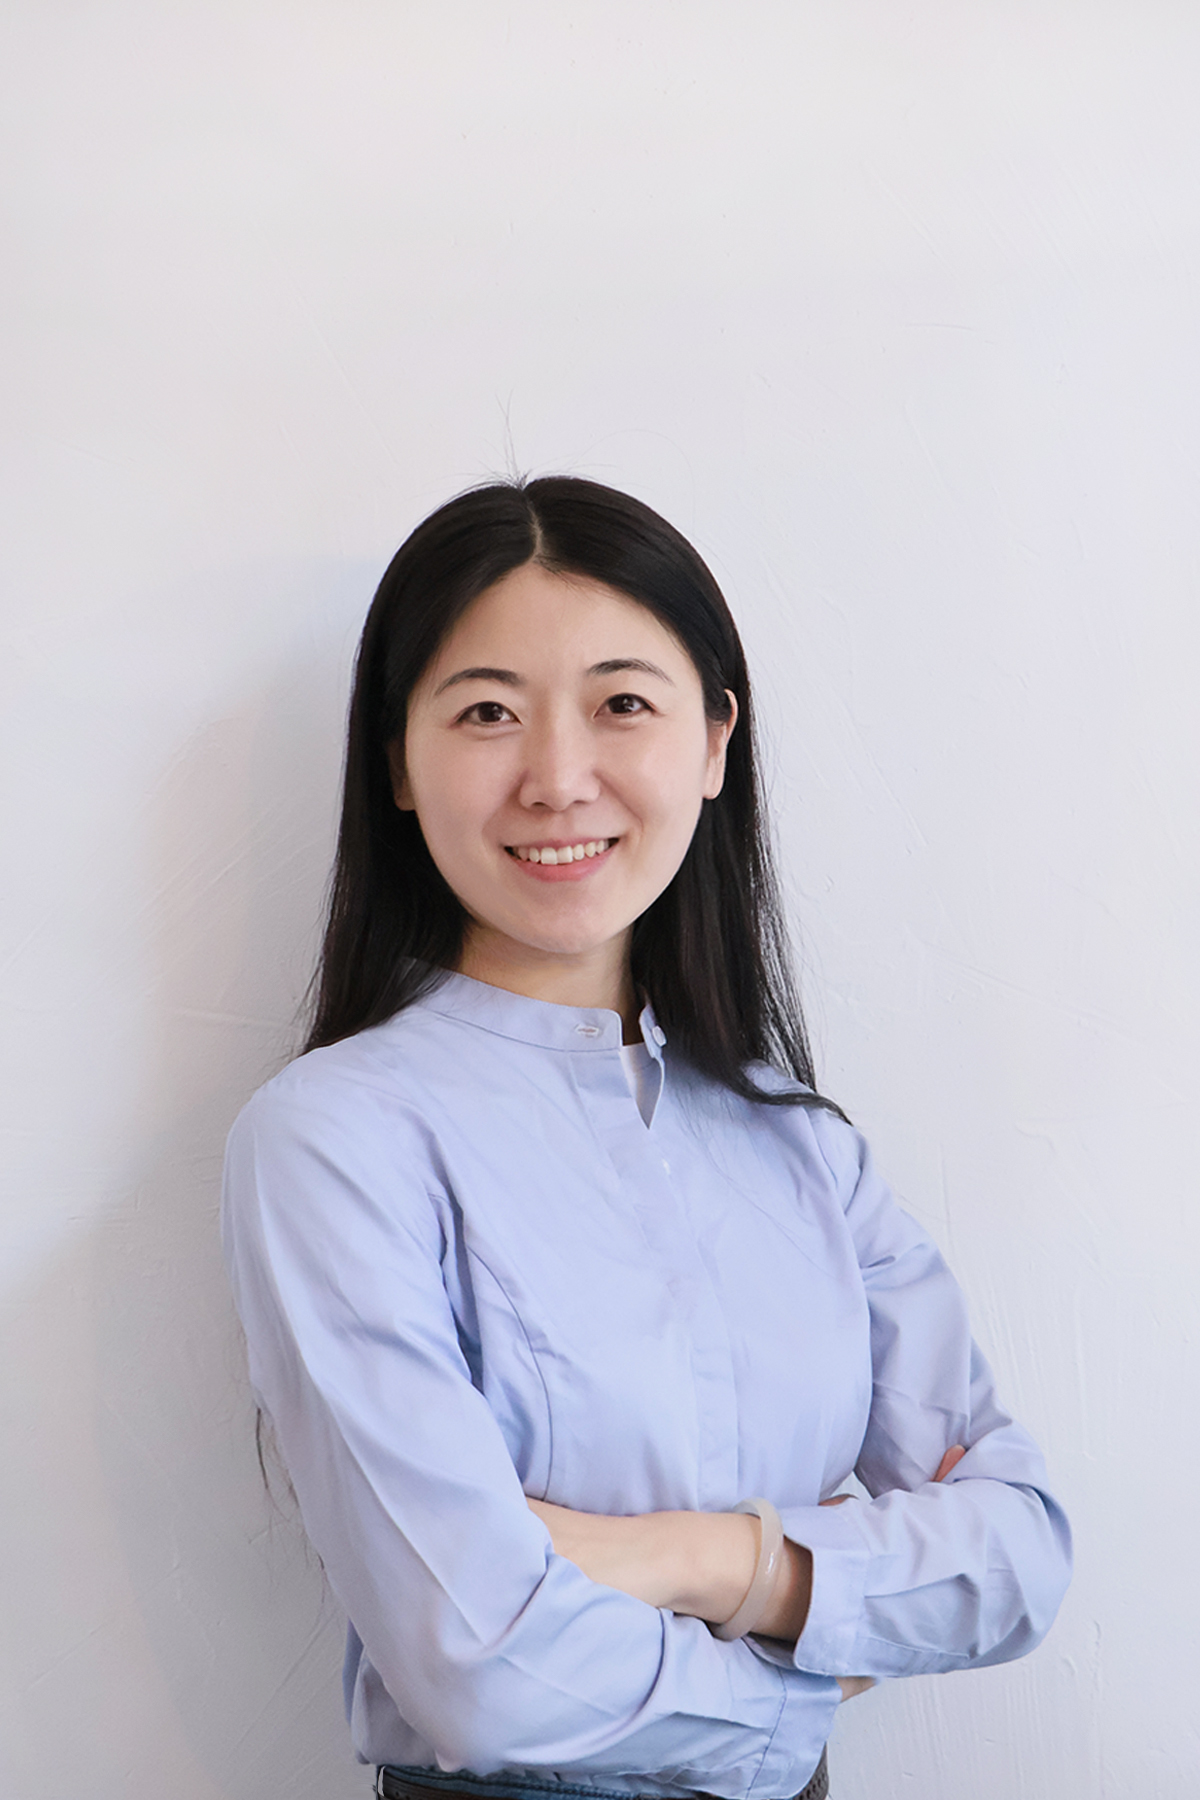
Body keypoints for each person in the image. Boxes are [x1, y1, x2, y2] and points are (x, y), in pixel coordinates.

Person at [221, 477, 1072, 1800]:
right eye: (488, 712)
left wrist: (706, 1560)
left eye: (622, 703)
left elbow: (1018, 1555)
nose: (559, 780)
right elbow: (482, 1674)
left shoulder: (804, 1146)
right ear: (397, 761)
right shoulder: (333, 1142)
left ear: (716, 741)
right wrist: (823, 1647)